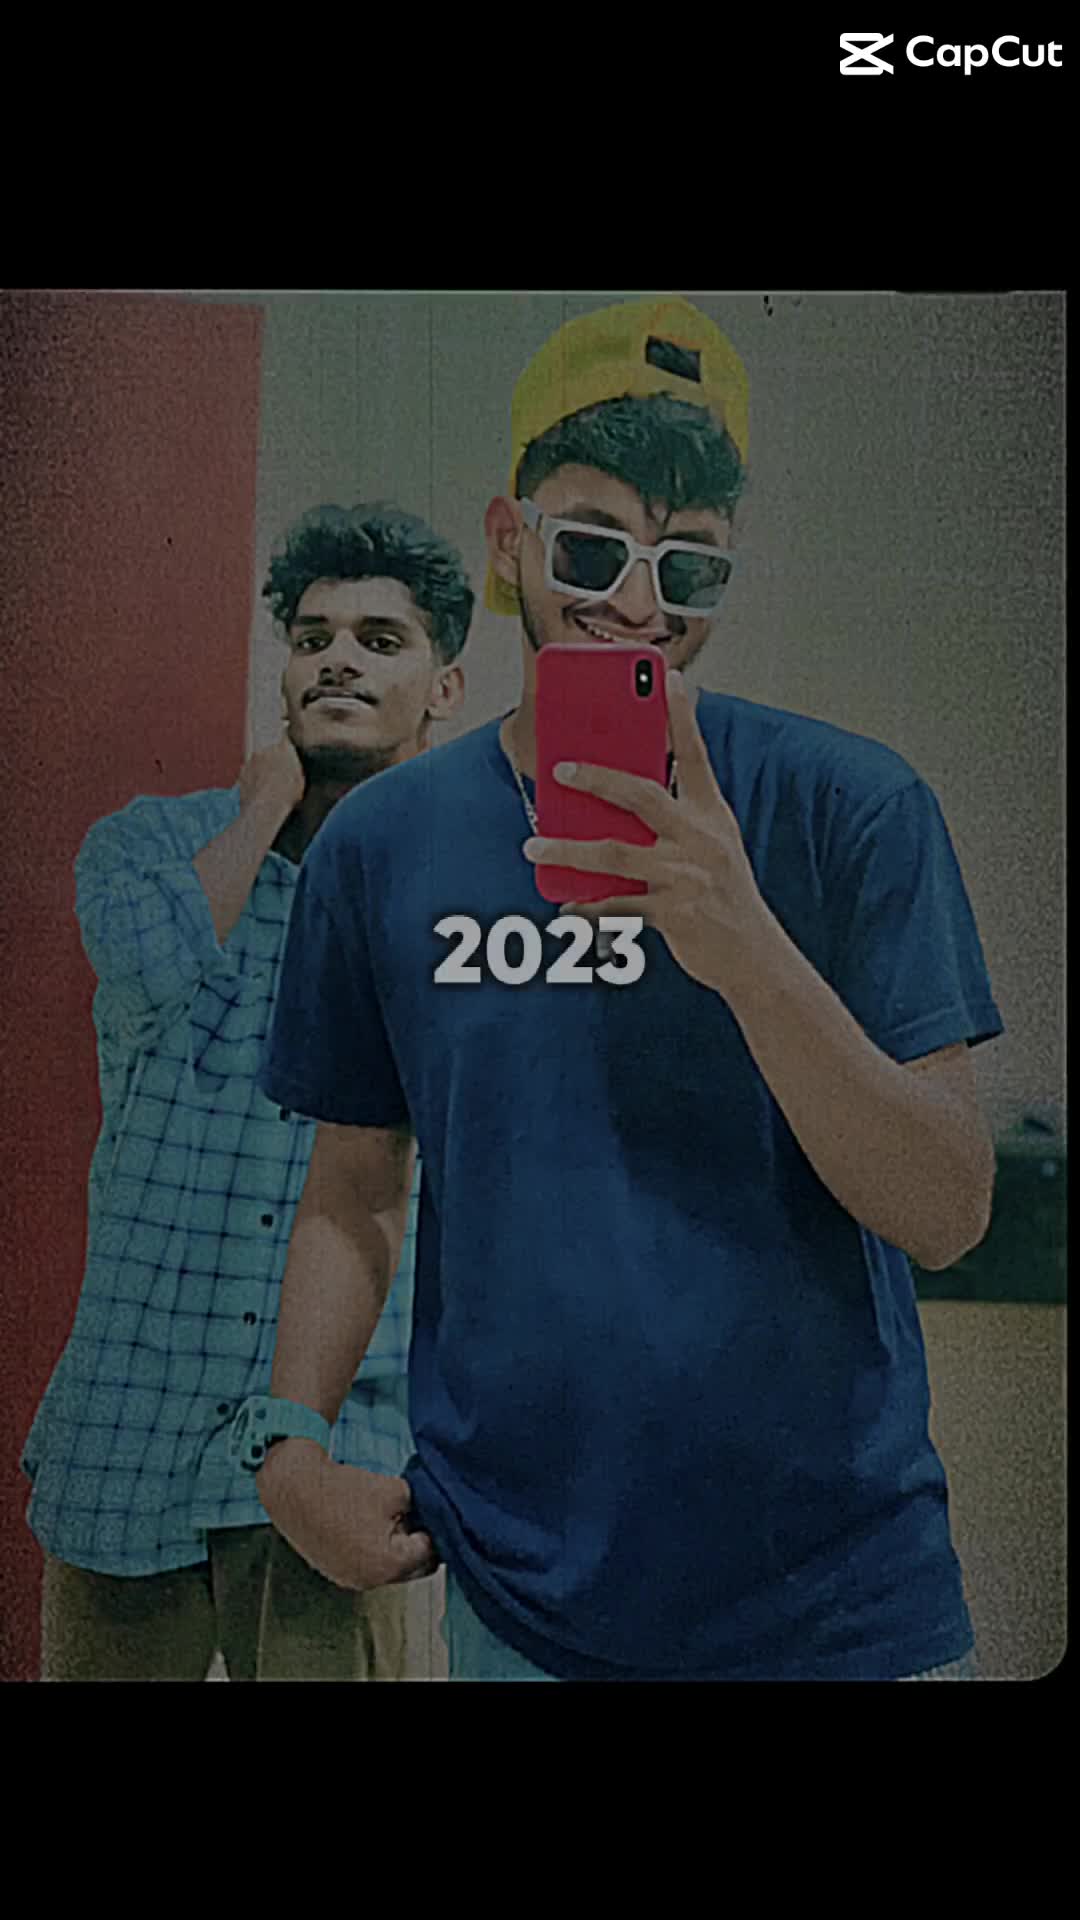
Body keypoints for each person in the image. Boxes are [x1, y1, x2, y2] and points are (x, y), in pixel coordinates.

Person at [254, 298, 1002, 1681]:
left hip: (828, 1596)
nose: (640, 604)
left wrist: (747, 947)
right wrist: (290, 1447)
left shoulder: (852, 808)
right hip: (522, 1594)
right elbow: (354, 1186)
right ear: (508, 542)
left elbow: (948, 1211)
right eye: (592, 546)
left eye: (689, 566)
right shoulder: (382, 844)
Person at [21, 502, 470, 1681]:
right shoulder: (149, 847)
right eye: (314, 638)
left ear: (446, 687)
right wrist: (268, 802)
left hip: (338, 1441)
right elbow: (149, 963)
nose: (338, 660)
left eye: (380, 640)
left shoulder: (466, 897)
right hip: (134, 1420)